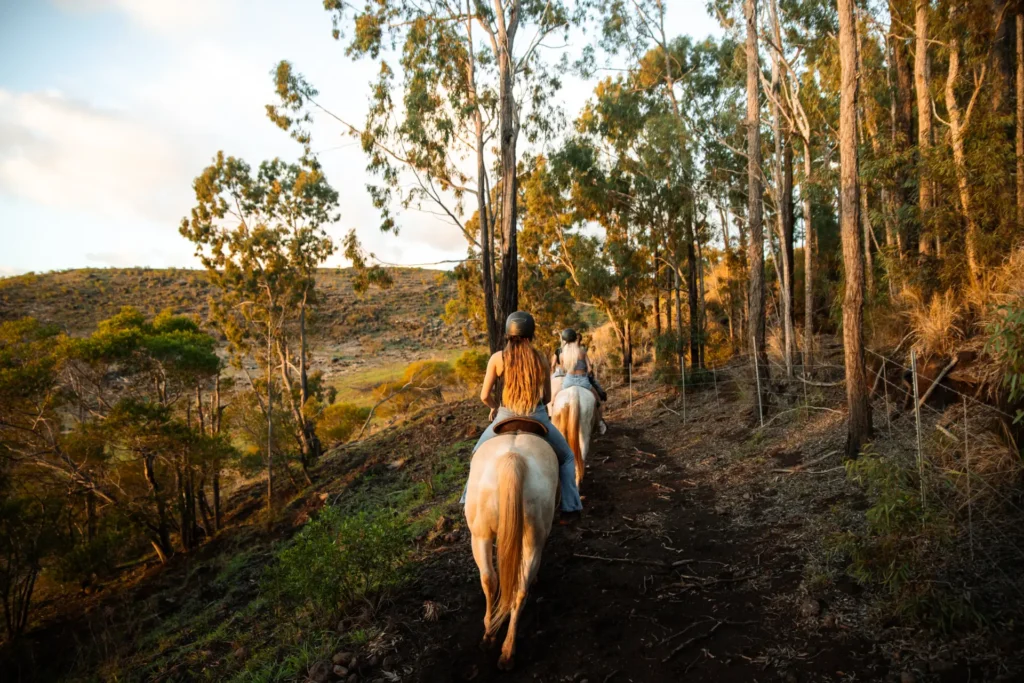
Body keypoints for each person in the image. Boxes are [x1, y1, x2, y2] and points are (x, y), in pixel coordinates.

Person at [461, 312, 583, 521]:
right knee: (568, 457)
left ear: (508, 334)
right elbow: (545, 398)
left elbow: (484, 396)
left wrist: (495, 407)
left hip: (505, 416)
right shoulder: (541, 358)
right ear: (530, 335)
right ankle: (570, 506)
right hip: (537, 416)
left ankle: (466, 500)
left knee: (476, 452)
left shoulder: (497, 359)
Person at [556, 328, 608, 435]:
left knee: (556, 400)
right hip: (583, 380)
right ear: (575, 339)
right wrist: (587, 371)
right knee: (597, 401)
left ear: (564, 341)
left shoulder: (561, 354)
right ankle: (599, 423)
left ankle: (555, 422)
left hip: (568, 381)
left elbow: (563, 369)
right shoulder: (582, 352)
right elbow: (589, 369)